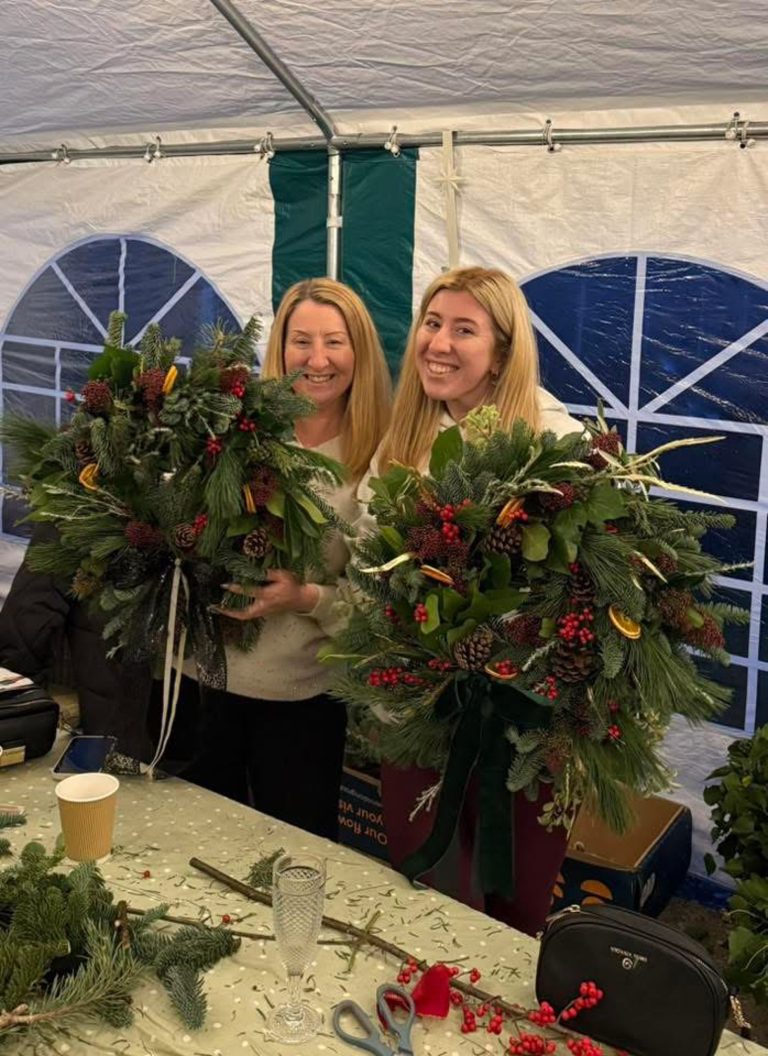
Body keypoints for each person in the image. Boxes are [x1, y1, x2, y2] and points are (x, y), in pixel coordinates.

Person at [358, 265, 582, 935]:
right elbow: (371, 563)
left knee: (514, 903)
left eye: (464, 330)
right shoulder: (405, 442)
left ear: (503, 353)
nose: (439, 344)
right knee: (425, 888)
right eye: (432, 324)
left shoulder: (552, 440)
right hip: (418, 714)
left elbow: (584, 586)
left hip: (523, 726)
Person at [181, 278, 392, 839]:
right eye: (301, 341)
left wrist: (306, 597)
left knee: (294, 856)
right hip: (204, 679)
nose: (316, 359)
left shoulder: (382, 454)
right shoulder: (237, 428)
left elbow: (379, 596)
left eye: (334, 342)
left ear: (360, 353)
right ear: (279, 347)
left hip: (301, 696)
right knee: (192, 846)